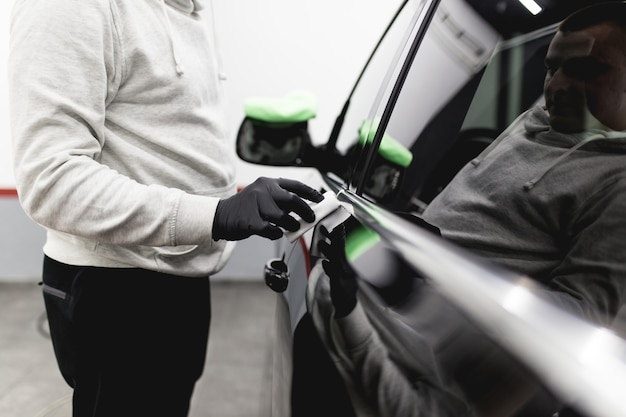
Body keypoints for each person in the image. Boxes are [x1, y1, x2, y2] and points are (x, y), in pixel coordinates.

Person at [309, 2, 626, 416]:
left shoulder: (617, 182)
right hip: (360, 314)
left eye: (586, 70)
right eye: (553, 67)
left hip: (412, 365)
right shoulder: (540, 119)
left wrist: (436, 268)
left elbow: (580, 323)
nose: (557, 86)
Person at [8, 0, 323, 416]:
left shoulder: (190, 8)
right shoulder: (70, 7)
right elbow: (51, 179)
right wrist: (214, 215)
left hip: (181, 269)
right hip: (114, 286)